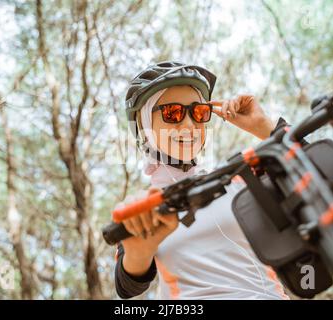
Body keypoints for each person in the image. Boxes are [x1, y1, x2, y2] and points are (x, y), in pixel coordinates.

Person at [114, 61, 292, 299]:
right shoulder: (143, 207)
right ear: (145, 127)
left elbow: (322, 177)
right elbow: (126, 287)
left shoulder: (240, 180)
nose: (189, 125)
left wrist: (265, 128)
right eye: (172, 113)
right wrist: (139, 253)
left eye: (199, 113)